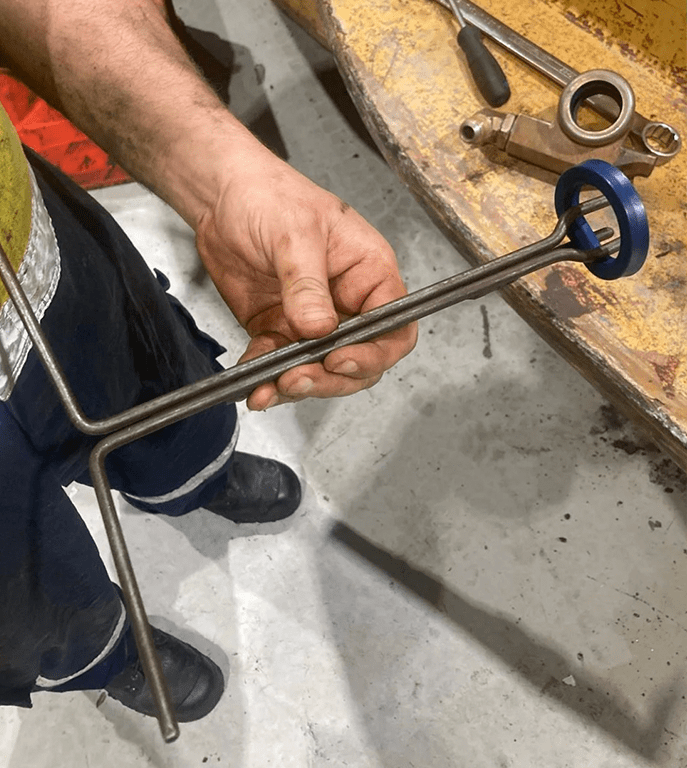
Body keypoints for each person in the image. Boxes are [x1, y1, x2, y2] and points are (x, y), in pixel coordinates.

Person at [0, 0, 417, 723]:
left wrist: (220, 172)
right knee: (21, 591)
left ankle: (192, 475)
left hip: (27, 250)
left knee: (153, 392)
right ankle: (106, 652)